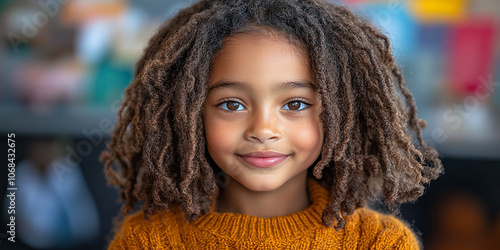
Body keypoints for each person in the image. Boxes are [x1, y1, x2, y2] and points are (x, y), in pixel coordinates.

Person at [101, 0, 443, 248]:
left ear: (341, 115)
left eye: (295, 104)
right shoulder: (149, 241)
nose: (263, 129)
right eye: (231, 104)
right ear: (188, 116)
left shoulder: (378, 243)